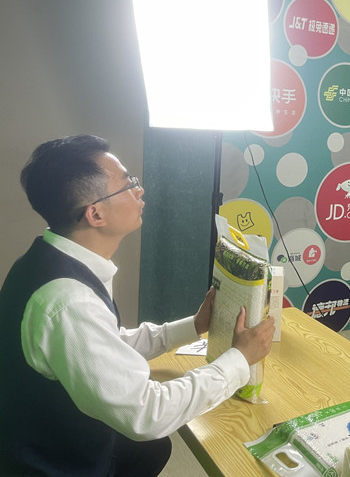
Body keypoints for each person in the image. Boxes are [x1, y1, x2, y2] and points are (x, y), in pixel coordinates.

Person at [0, 135, 276, 477]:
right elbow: (148, 414)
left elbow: (107, 345)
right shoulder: (69, 302)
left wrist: (193, 326)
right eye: (128, 183)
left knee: (154, 449)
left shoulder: (50, 255)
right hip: (55, 464)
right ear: (95, 213)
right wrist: (239, 360)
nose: (139, 191)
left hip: (60, 431)